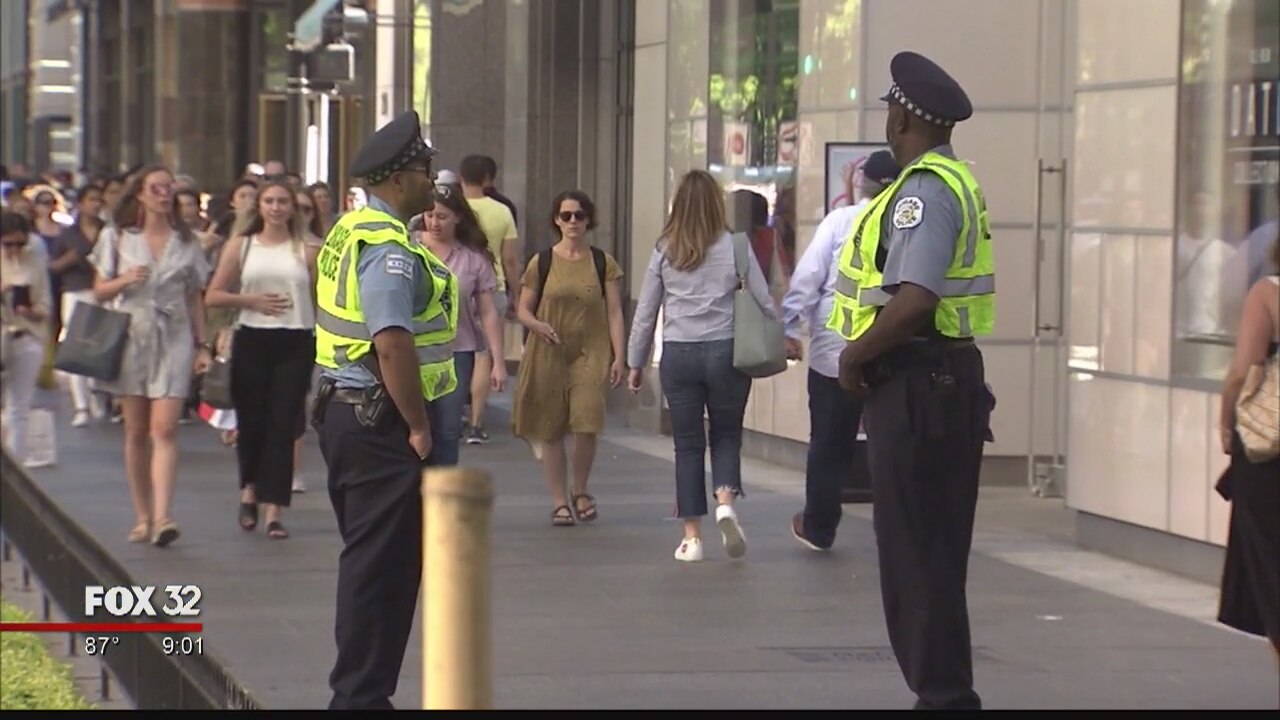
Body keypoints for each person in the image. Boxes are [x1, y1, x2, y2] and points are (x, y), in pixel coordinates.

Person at [828, 51, 996, 710]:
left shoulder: (922, 192)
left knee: (916, 554)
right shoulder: (949, 180)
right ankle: (945, 693)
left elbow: (916, 299)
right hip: (938, 384)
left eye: (889, 110)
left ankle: (944, 698)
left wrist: (851, 357)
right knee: (930, 552)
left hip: (922, 386)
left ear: (900, 116)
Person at [310, 110, 456, 709]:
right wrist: (418, 425)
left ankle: (363, 693)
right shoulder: (388, 247)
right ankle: (360, 699)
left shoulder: (350, 229)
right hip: (379, 421)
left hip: (345, 411)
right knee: (383, 571)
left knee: (372, 560)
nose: (432, 179)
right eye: (424, 169)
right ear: (399, 180)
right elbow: (391, 340)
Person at [626, 170, 773, 561]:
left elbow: (646, 312)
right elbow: (761, 298)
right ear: (714, 203)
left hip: (680, 354)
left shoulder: (665, 249)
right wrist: (782, 335)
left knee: (687, 445)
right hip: (727, 352)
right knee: (726, 435)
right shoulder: (736, 246)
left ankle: (692, 537)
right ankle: (725, 501)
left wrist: (634, 362)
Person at [89, 166, 214, 547]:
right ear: (140, 195)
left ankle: (163, 516)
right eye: (156, 189)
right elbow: (98, 292)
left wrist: (202, 344)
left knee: (165, 428)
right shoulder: (117, 238)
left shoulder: (186, 241)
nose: (163, 195)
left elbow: (195, 294)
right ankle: (142, 516)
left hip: (174, 336)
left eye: (168, 189)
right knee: (136, 431)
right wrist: (125, 280)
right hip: (131, 335)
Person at [783, 150, 901, 551]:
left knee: (829, 445)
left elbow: (807, 279)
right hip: (891, 351)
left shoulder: (840, 221)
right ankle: (896, 532)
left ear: (862, 184)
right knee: (892, 444)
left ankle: (819, 526)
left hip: (835, 353)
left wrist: (788, 327)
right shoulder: (906, 224)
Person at [512, 191, 625, 526]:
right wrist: (537, 325)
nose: (572, 221)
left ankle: (581, 489)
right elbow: (522, 309)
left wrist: (621, 356)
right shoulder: (542, 262)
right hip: (548, 349)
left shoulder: (603, 262)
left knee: (587, 419)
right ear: (556, 221)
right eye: (565, 216)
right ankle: (560, 501)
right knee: (550, 427)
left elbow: (616, 312)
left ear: (589, 219)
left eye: (578, 215)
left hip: (591, 349)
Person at [1215, 237, 1279, 667]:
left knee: (1272, 564)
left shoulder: (1269, 292)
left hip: (1270, 453)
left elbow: (1242, 370)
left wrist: (1225, 423)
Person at [1, 211, 54, 468]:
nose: (14, 249)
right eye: (8, 243)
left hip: (27, 335)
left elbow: (45, 305)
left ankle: (15, 466)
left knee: (19, 407)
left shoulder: (35, 262)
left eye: (20, 244)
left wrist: (30, 309)